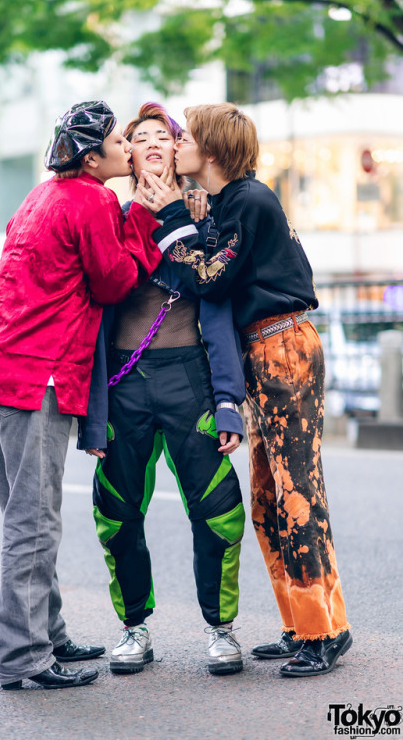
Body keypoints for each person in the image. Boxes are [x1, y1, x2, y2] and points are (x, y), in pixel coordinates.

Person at [140, 102, 352, 678]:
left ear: (210, 152)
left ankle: (324, 631)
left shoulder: (250, 201)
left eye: (186, 139)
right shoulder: (232, 202)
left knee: (295, 491)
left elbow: (209, 278)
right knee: (268, 500)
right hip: (266, 352)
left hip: (283, 349)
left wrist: (169, 217)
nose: (176, 145)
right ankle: (302, 624)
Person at [0, 101, 163, 690]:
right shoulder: (93, 200)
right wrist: (144, 220)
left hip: (0, 370)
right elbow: (113, 282)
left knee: (25, 514)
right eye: (117, 141)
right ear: (91, 156)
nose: (128, 148)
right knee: (34, 522)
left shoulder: (39, 196)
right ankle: (25, 658)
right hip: (39, 376)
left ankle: (46, 634)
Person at [79, 103, 246, 677]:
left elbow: (218, 312)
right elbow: (92, 315)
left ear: (178, 149)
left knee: (219, 510)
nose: (150, 143)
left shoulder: (206, 218)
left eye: (162, 135)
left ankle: (221, 629)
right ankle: (133, 629)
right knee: (116, 512)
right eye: (138, 137)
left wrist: (228, 399)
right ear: (126, 155)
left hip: (188, 380)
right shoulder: (110, 217)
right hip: (125, 382)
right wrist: (92, 410)